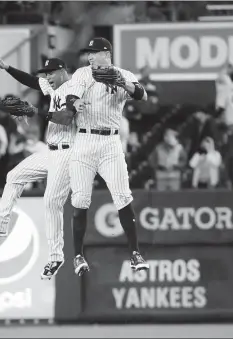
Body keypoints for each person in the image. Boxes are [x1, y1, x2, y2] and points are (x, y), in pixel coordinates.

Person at [0, 56, 87, 280]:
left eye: (50, 73)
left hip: (69, 152)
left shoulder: (75, 88)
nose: (47, 78)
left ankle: (56, 257)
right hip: (52, 150)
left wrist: (36, 112)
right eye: (46, 74)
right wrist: (8, 68)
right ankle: (0, 224)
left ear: (62, 70)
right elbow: (32, 82)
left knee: (51, 202)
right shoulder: (54, 87)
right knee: (14, 175)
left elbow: (65, 118)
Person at [66, 37, 150, 276]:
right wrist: (76, 103)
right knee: (80, 199)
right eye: (88, 53)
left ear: (106, 53)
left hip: (111, 142)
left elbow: (142, 95)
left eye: (94, 52)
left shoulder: (123, 74)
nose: (90, 56)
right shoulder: (83, 74)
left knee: (123, 196)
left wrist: (123, 83)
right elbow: (71, 96)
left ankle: (135, 253)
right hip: (84, 139)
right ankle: (78, 256)